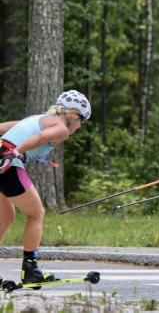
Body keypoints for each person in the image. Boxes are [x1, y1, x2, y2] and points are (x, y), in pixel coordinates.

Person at [0, 90, 91, 284]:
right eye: (82, 122)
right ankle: (30, 271)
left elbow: (7, 127)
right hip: (7, 162)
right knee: (36, 214)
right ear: (74, 115)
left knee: (6, 218)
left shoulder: (40, 118)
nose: (79, 127)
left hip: (2, 156)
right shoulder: (61, 128)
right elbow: (42, 137)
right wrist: (18, 152)